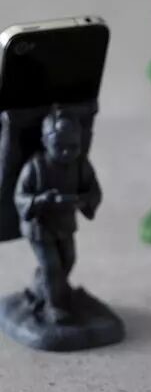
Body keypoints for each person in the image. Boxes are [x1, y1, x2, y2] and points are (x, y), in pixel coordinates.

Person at [14, 111, 101, 324]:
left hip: (65, 223)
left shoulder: (81, 165)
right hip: (39, 226)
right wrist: (42, 200)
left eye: (73, 146)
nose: (66, 152)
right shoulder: (35, 167)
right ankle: (54, 307)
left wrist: (82, 201)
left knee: (68, 260)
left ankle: (41, 288)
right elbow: (20, 197)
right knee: (51, 265)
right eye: (59, 146)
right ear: (45, 142)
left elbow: (94, 191)